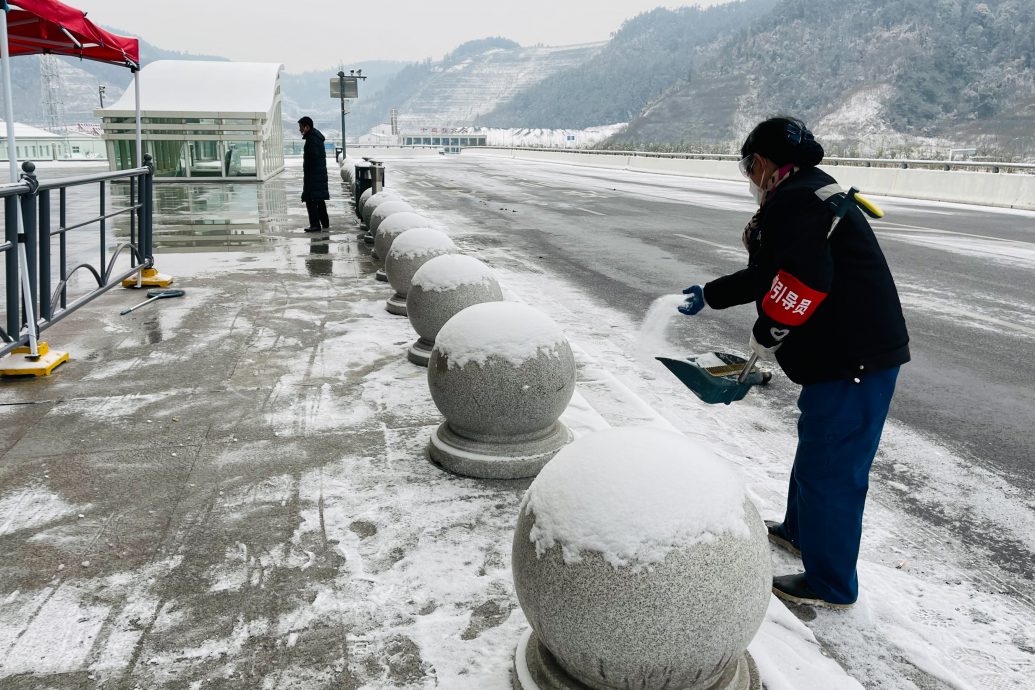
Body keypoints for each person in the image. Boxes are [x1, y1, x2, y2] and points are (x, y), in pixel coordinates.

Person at [678, 116, 910, 608]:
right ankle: (800, 532)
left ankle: (830, 583)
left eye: (748, 167)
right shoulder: (809, 190)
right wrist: (711, 295)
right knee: (818, 450)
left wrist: (769, 330)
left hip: (855, 358)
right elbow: (768, 272)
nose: (749, 177)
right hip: (846, 351)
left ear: (761, 163)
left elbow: (805, 280)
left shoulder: (797, 200)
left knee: (833, 470)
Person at [298, 116, 330, 232]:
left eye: (301, 127)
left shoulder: (312, 139)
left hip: (314, 175)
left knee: (310, 199)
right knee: (319, 199)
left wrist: (309, 169)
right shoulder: (315, 137)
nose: (299, 130)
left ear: (307, 127)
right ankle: (325, 223)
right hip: (318, 174)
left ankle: (315, 225)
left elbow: (314, 157)